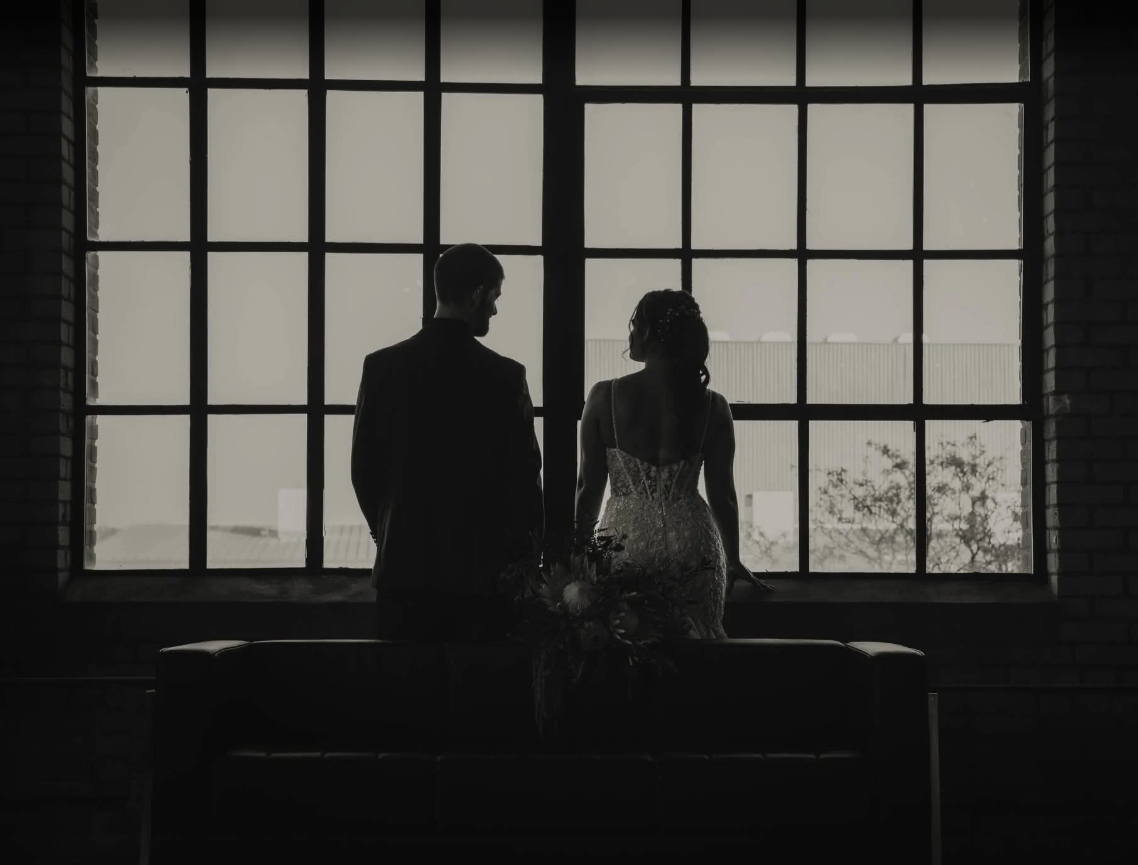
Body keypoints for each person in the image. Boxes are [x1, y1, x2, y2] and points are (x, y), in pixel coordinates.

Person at [352, 243, 544, 642]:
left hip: (402, 572)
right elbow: (525, 480)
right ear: (477, 294)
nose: (494, 310)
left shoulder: (382, 366)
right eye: (494, 298)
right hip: (482, 577)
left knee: (406, 699)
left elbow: (363, 469)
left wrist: (388, 530)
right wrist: (526, 560)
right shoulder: (506, 376)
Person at [574, 289, 773, 639]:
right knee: (698, 650)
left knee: (630, 652)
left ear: (650, 332)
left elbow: (587, 488)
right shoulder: (713, 405)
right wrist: (733, 558)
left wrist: (579, 557)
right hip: (694, 545)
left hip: (625, 542)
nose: (631, 334)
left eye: (634, 324)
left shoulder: (604, 396)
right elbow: (723, 494)